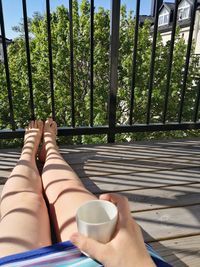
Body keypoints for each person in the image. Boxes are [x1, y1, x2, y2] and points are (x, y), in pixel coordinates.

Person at [0, 119, 169, 267]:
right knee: (67, 188)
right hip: (119, 259)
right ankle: (50, 147)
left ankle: (29, 150)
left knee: (24, 200)